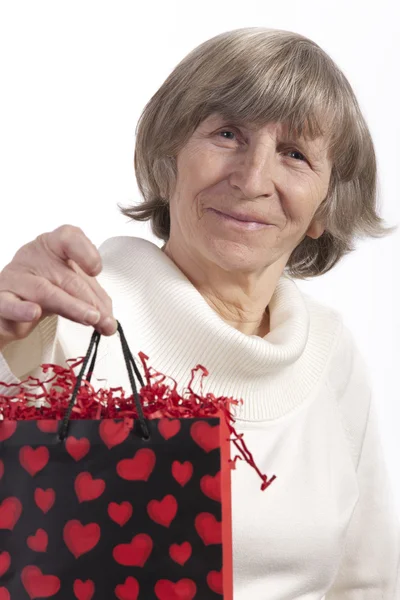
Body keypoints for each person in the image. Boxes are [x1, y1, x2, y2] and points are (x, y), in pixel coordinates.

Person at [0, 26, 399, 599]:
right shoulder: (62, 315)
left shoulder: (331, 350)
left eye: (294, 154)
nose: (252, 178)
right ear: (170, 162)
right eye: (227, 133)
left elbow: (367, 583)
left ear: (324, 209)